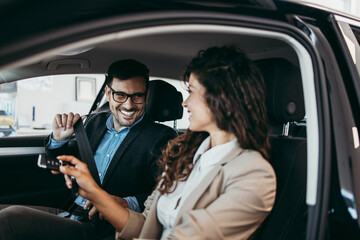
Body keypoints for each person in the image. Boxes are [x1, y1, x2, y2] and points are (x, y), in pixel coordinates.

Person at [55, 45, 276, 239]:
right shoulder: (186, 155)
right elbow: (144, 226)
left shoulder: (254, 174)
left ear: (223, 97)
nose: (185, 102)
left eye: (192, 91)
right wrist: (94, 192)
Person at [0, 59, 178, 240]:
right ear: (108, 93)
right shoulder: (95, 122)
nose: (128, 105)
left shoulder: (162, 138)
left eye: (137, 96)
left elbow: (167, 194)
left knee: (10, 219)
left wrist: (126, 203)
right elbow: (66, 165)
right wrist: (59, 140)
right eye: (120, 95)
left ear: (147, 96)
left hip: (102, 228)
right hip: (69, 211)